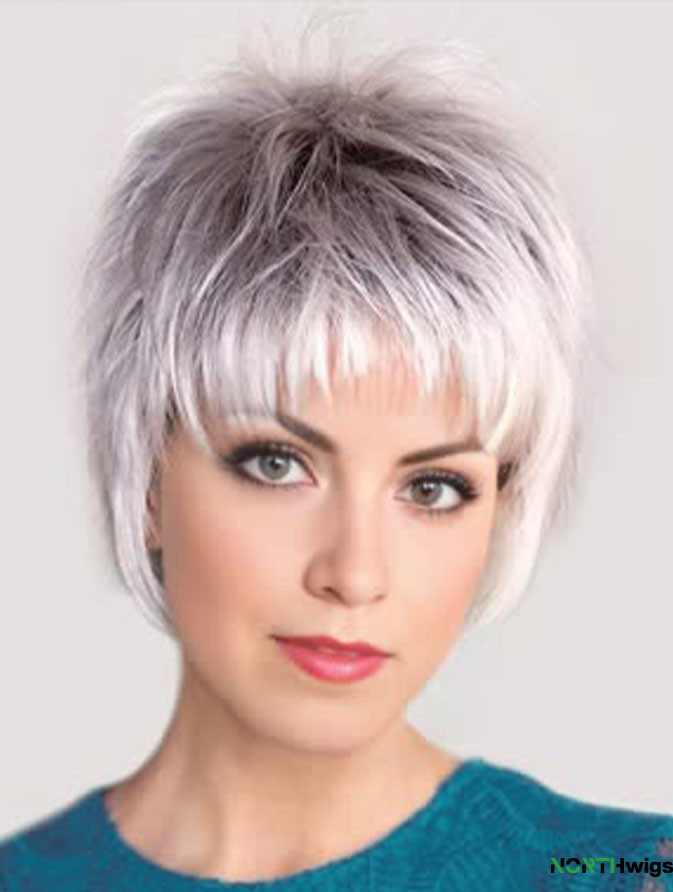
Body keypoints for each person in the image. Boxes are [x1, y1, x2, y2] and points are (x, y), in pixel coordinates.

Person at [1, 39, 671, 891]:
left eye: (432, 487)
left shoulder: (624, 872)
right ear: (148, 483)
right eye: (276, 465)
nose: (354, 574)